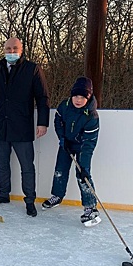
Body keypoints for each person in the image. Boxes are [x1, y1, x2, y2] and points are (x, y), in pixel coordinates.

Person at [0, 37, 50, 217]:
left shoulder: (32, 69)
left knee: (27, 166)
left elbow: (42, 98)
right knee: (2, 164)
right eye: (8, 49)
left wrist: (42, 122)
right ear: (3, 50)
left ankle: (29, 200)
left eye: (14, 48)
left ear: (21, 49)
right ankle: (4, 194)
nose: (11, 52)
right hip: (1, 126)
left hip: (22, 127)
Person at [42, 76, 101, 226]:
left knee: (83, 175)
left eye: (82, 97)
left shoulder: (91, 115)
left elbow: (89, 142)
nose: (78, 100)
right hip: (66, 143)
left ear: (88, 97)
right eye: (76, 96)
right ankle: (57, 195)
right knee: (60, 170)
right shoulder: (65, 106)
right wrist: (62, 137)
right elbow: (58, 121)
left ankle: (90, 206)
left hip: (83, 147)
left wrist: (84, 164)